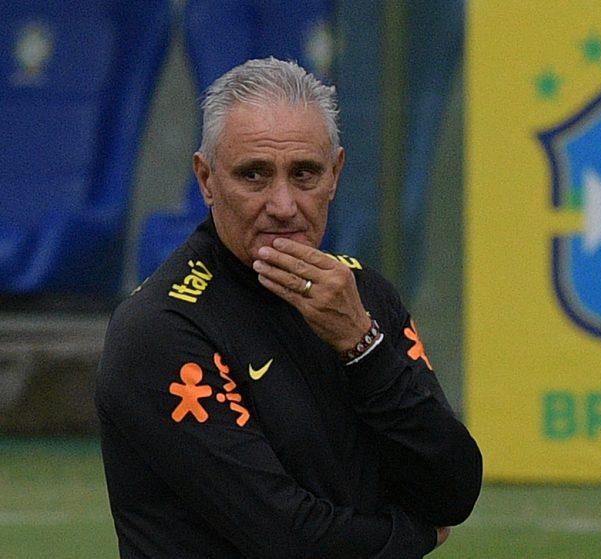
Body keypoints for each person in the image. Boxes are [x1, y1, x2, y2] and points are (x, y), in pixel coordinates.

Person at [95, 57, 482, 558]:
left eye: (305, 174)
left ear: (336, 174)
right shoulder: (161, 330)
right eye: (253, 175)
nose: (283, 205)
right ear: (206, 179)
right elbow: (283, 537)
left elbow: (451, 489)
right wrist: (413, 538)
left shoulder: (364, 299)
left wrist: (361, 345)